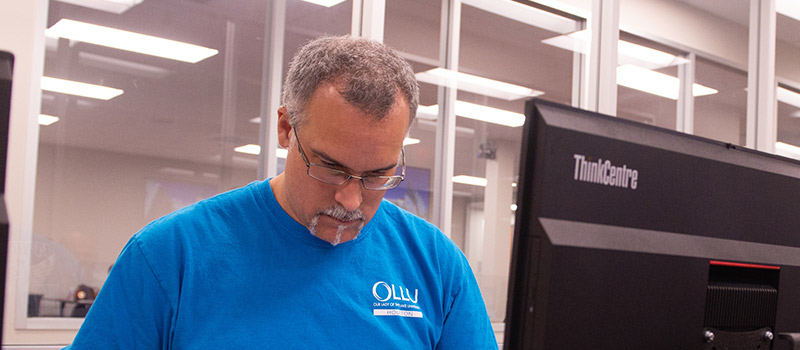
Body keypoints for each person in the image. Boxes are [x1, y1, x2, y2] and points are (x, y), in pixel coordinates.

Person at [65, 35, 497, 349]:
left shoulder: (437, 266)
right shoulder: (170, 256)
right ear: (286, 128)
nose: (350, 200)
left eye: (377, 175)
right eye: (331, 168)